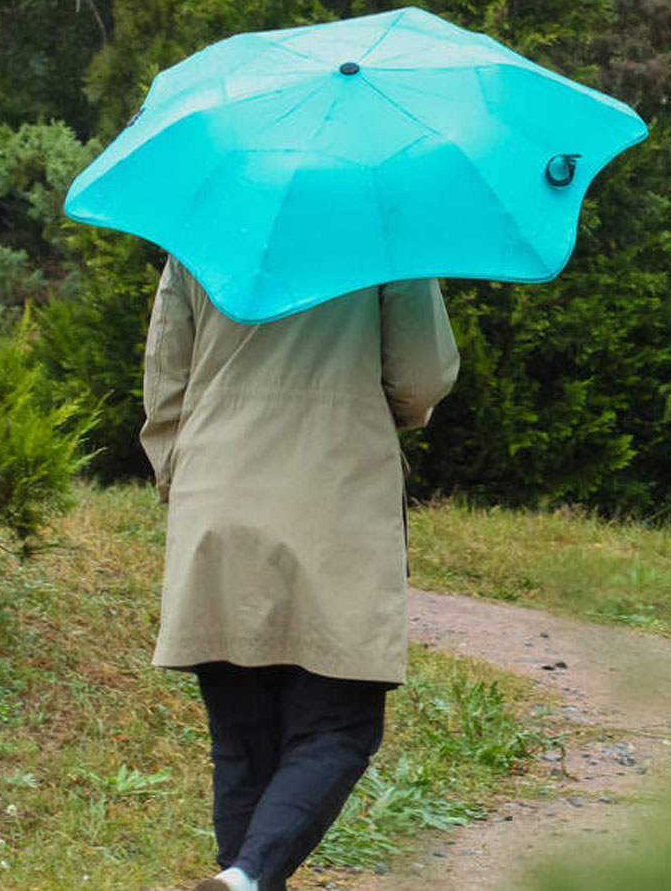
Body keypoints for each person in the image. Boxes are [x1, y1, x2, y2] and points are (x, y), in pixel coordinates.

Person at [139, 257, 460, 891]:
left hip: (218, 501)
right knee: (339, 726)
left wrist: (188, 475)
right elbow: (421, 380)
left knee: (242, 741)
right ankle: (246, 877)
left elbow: (164, 380)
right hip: (335, 499)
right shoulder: (391, 231)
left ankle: (240, 878)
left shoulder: (203, 232)